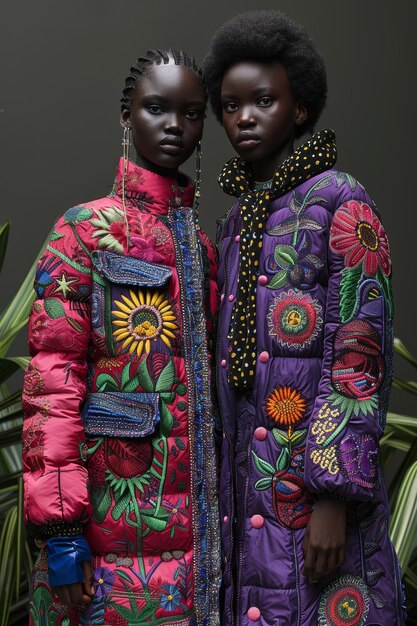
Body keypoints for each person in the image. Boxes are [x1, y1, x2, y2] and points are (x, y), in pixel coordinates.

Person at [203, 10, 406, 626]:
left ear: (298, 108)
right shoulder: (236, 224)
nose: (244, 117)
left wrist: (333, 499)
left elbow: (359, 351)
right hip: (250, 498)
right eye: (230, 104)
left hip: (317, 501)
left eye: (263, 100)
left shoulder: (341, 198)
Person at [22, 48, 221, 626]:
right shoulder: (83, 231)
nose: (173, 126)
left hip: (197, 549)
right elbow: (51, 388)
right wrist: (61, 531)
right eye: (156, 108)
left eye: (190, 113)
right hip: (106, 530)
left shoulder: (206, 250)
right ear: (127, 116)